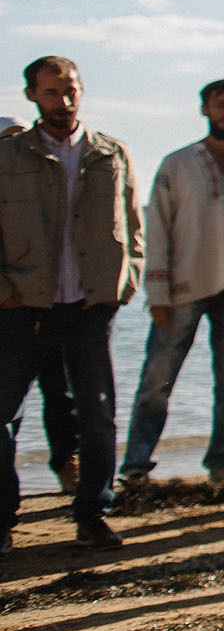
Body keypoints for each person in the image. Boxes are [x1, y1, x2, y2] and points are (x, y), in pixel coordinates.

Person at [0, 57, 143, 551]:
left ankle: (93, 514)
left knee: (98, 416)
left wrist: (124, 284)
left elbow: (133, 228)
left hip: (88, 308)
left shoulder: (111, 153)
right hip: (22, 308)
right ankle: (3, 521)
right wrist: (6, 293)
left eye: (71, 91)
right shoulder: (7, 156)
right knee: (3, 416)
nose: (64, 102)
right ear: (31, 97)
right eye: (51, 93)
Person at [121, 78, 224, 489]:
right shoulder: (176, 165)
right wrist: (156, 292)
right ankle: (137, 466)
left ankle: (221, 462)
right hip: (181, 290)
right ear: (205, 109)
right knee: (157, 379)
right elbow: (156, 230)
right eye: (220, 104)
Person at [0, 116, 77, 494]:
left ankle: (68, 466)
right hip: (11, 313)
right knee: (9, 409)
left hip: (54, 309)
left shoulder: (49, 190)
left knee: (61, 395)